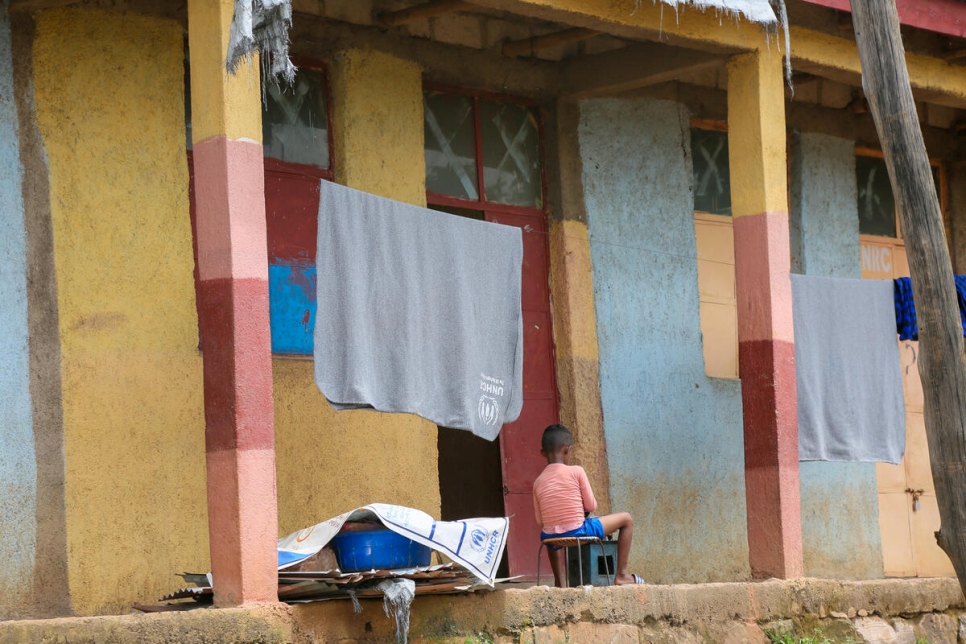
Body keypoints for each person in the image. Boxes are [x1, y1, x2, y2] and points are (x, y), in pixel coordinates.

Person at [532, 423, 642, 587]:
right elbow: (591, 506)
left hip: (551, 539)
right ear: (567, 450)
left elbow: (540, 521)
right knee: (627, 519)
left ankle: (559, 582)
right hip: (579, 532)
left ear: (542, 453)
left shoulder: (537, 482)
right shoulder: (577, 471)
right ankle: (622, 575)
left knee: (551, 528)